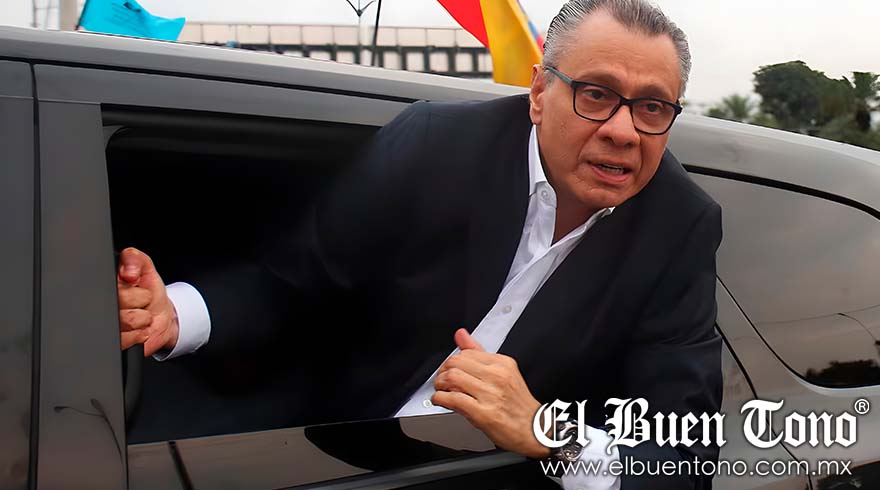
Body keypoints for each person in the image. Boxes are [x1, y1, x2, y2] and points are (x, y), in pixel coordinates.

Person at [117, 1, 722, 488]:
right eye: (595, 94)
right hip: (326, 452)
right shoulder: (436, 146)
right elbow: (293, 281)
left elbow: (683, 457)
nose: (623, 131)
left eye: (651, 108)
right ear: (540, 93)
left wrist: (547, 432)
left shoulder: (679, 226)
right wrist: (174, 314)